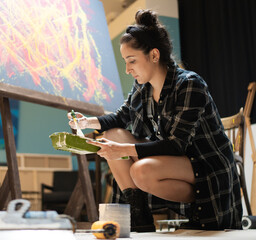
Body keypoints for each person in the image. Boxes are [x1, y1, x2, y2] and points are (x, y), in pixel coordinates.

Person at [68, 9, 242, 231]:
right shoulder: (142, 87)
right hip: (171, 162)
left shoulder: (189, 84)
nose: (128, 69)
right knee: (112, 134)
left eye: (131, 61)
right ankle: (139, 215)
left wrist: (121, 149)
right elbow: (121, 118)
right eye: (125, 62)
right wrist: (86, 122)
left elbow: (176, 144)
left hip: (204, 166)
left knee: (141, 170)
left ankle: (198, 207)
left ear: (154, 55)